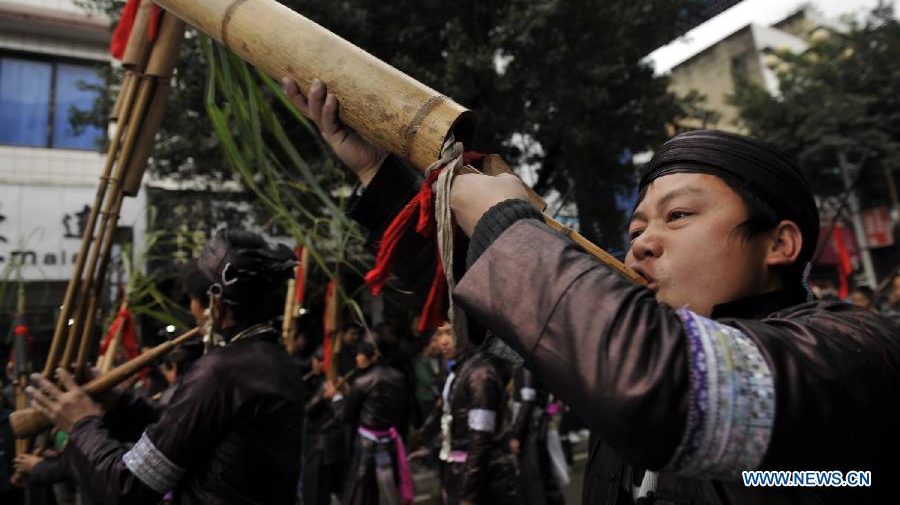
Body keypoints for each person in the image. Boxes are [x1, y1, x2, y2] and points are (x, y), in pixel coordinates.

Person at [284, 77, 900, 504]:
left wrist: (508, 225)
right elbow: (509, 305)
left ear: (780, 244)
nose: (641, 244)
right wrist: (376, 171)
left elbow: (664, 386)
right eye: (636, 228)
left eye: (677, 216)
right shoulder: (625, 343)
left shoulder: (854, 351)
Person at [25, 229, 305, 504]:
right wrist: (118, 404)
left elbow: (129, 487)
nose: (192, 310)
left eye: (193, 301)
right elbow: (187, 428)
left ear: (215, 306)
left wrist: (80, 425)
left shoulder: (221, 371)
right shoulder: (277, 362)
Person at [434, 326, 518, 505]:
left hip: (485, 480)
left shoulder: (479, 375)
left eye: (449, 332)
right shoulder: (460, 370)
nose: (443, 341)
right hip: (464, 473)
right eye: (439, 334)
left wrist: (468, 494)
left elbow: (481, 439)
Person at [330, 331, 412, 505]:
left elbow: (345, 415)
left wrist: (336, 398)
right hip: (391, 441)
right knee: (389, 491)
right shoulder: (398, 377)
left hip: (367, 447)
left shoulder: (363, 381)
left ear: (374, 356)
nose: (358, 358)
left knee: (363, 493)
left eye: (362, 354)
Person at [511, 366, 566, 505]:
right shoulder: (534, 364)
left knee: (537, 482)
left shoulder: (526, 366)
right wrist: (548, 415)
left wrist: (517, 435)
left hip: (532, 433)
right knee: (546, 479)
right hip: (539, 430)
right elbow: (557, 403)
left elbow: (528, 400)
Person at [302, 346, 347, 505]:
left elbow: (308, 410)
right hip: (325, 443)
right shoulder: (318, 379)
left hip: (321, 446)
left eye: (319, 361)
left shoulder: (329, 384)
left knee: (317, 491)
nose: (315, 364)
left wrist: (323, 396)